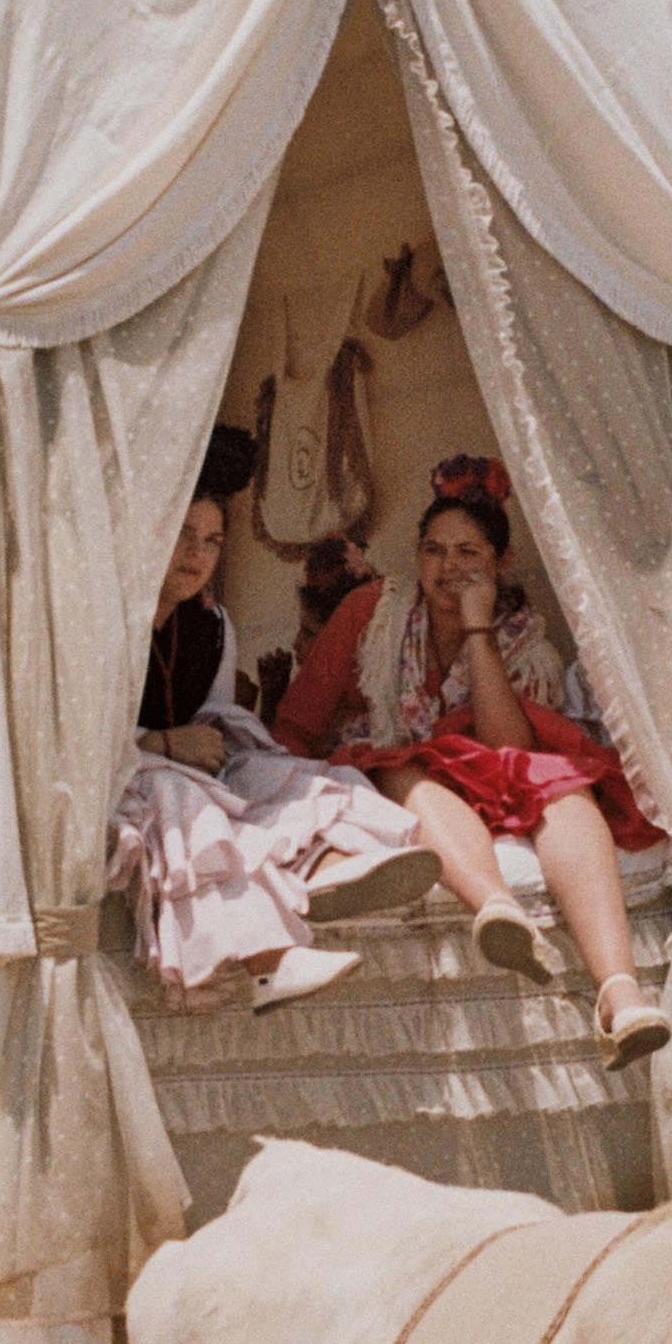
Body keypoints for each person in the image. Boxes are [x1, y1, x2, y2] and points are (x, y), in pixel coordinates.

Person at [274, 452, 671, 1067]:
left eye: (468, 554)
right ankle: (497, 908)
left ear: (500, 563)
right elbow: (297, 722)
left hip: (480, 771)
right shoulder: (372, 611)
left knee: (564, 788)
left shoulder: (522, 637)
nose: (448, 568)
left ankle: (621, 996)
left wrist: (479, 628)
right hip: (394, 771)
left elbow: (508, 749)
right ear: (417, 554)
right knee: (403, 771)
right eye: (434, 550)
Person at [108, 428, 438, 1009]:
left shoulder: (212, 627)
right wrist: (159, 741)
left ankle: (331, 867)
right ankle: (269, 963)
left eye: (211, 541)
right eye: (183, 535)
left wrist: (224, 747)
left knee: (296, 777)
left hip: (185, 768)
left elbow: (215, 715)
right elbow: (70, 738)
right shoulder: (109, 619)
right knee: (179, 795)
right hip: (119, 779)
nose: (196, 555)